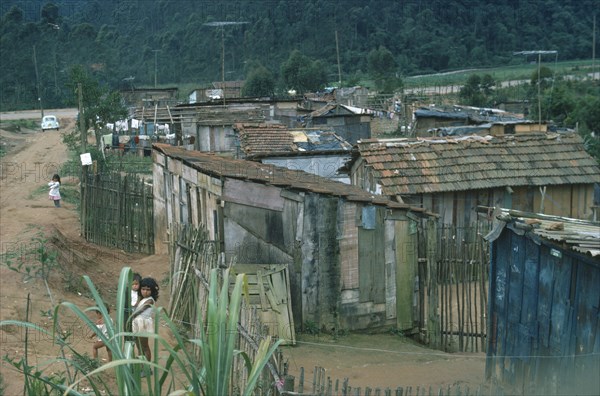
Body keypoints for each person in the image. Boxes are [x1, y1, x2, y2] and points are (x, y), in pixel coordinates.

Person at [130, 277, 159, 366]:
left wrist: (130, 317)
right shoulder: (142, 299)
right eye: (143, 289)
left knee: (145, 347)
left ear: (152, 291)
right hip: (137, 323)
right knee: (139, 346)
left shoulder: (150, 300)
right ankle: (141, 366)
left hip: (143, 324)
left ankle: (147, 368)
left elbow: (140, 310)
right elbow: (135, 306)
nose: (145, 292)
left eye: (148, 290)